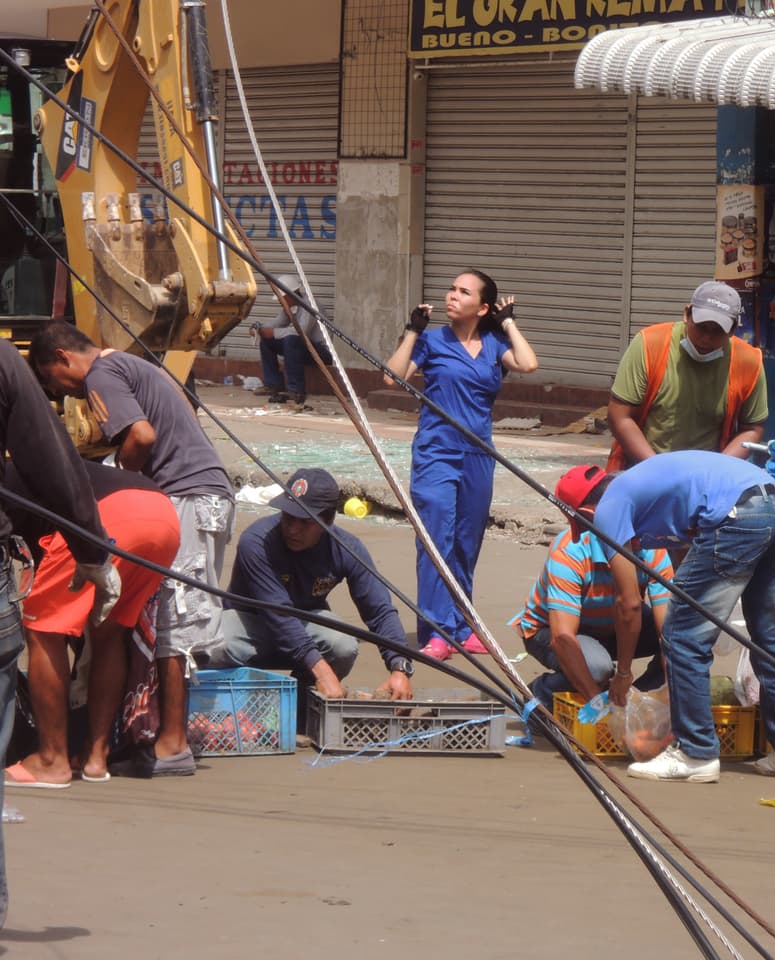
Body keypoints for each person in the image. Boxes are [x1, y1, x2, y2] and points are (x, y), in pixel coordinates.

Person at [30, 322, 234, 778]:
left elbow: (141, 436)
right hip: (194, 496)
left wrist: (124, 474)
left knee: (174, 622)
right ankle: (145, 733)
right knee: (155, 619)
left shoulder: (102, 374)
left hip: (189, 496)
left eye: (53, 381)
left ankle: (172, 743)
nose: (66, 394)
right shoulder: (135, 365)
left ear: (63, 358)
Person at [556, 451, 775, 783]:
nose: (591, 534)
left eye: (584, 526)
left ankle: (695, 752)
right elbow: (690, 554)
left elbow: (630, 602)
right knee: (772, 636)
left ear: (585, 512)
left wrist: (623, 673)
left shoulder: (609, 508)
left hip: (738, 514)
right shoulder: (647, 488)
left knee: (682, 634)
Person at [0, 336, 120, 927]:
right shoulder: (3, 361)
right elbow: (48, 459)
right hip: (137, 521)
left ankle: (60, 756)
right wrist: (91, 550)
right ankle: (81, 755)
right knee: (100, 633)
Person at [384, 270, 537, 661]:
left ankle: (464, 625)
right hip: (436, 452)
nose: (451, 296)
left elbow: (528, 363)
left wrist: (508, 323)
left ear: (482, 307)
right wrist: (411, 331)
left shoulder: (494, 344)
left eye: (463, 292)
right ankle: (436, 632)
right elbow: (392, 377)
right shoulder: (431, 341)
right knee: (436, 539)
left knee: (467, 542)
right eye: (452, 289)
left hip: (478, 456)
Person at [4, 462, 179, 787]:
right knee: (108, 633)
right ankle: (95, 757)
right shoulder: (29, 464)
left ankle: (51, 760)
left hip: (107, 517)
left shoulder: (8, 481)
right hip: (163, 515)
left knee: (43, 629)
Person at [204, 468, 415, 703]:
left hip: (304, 624)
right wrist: (323, 671)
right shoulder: (256, 541)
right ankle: (230, 703)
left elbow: (379, 609)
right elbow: (278, 613)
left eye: (304, 522)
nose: (293, 529)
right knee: (212, 643)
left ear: (329, 521)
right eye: (288, 517)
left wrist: (399, 666)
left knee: (344, 644)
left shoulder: (347, 548)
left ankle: (304, 704)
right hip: (250, 627)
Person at [513, 465, 671, 709]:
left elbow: (668, 627)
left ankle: (639, 698)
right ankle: (541, 692)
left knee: (686, 640)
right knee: (597, 668)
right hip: (554, 630)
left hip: (618, 624)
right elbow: (562, 638)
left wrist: (669, 689)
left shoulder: (649, 541)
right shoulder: (570, 551)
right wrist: (596, 702)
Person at [606, 281, 766, 471]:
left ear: (732, 330)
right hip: (642, 467)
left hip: (707, 476)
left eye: (717, 331)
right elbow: (619, 417)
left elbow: (752, 429)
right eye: (701, 327)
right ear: (687, 314)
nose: (706, 338)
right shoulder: (650, 345)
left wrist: (713, 472)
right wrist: (657, 469)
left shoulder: (748, 361)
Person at [251, 274, 334, 409]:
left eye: (281, 298)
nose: (280, 301)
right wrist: (260, 329)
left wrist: (273, 333)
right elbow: (277, 323)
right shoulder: (291, 307)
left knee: (292, 339)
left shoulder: (310, 305)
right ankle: (273, 384)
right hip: (301, 351)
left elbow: (300, 332)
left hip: (321, 353)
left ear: (290, 295)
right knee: (267, 340)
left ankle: (296, 390)